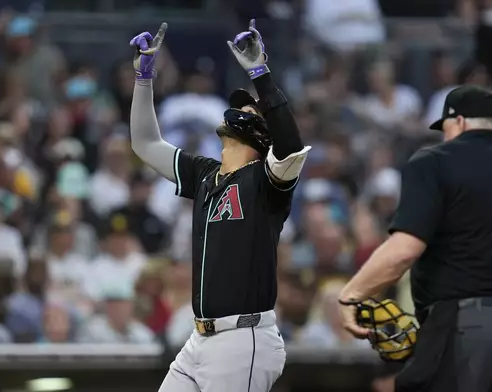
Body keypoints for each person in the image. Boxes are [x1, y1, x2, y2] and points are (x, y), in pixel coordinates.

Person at [129, 20, 310, 392]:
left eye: (248, 109)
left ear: (262, 133)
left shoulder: (267, 179)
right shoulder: (206, 174)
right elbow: (145, 144)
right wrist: (144, 79)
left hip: (244, 338)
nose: (237, 109)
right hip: (200, 338)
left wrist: (261, 73)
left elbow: (290, 146)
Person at [338, 85, 492, 392]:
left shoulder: (436, 160)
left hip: (470, 329)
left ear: (459, 121)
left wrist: (353, 293)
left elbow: (404, 250)